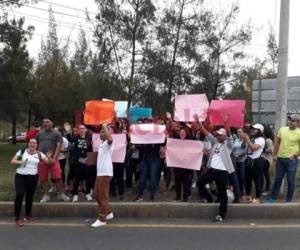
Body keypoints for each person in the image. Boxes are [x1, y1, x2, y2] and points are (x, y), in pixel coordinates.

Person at [196, 114, 235, 222]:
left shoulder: (228, 145)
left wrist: (226, 123)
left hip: (222, 173)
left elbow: (229, 136)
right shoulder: (215, 142)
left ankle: (221, 215)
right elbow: (206, 133)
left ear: (223, 136)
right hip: (212, 170)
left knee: (222, 195)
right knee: (199, 183)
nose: (217, 136)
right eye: (217, 135)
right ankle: (209, 198)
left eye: (219, 135)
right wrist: (199, 123)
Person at [11, 138, 52, 226]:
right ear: (28, 144)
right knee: (19, 194)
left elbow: (49, 163)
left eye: (34, 143)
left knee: (29, 197)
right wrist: (21, 161)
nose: (32, 144)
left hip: (33, 177)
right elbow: (13, 161)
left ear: (37, 145)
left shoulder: (39, 154)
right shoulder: (22, 152)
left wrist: (48, 157)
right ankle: (17, 218)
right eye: (31, 143)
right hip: (20, 176)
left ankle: (28, 215)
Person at [265, 114, 300, 203]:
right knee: (277, 179)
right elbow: (277, 142)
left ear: (298, 123)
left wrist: (294, 156)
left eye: (293, 120)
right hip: (280, 159)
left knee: (290, 180)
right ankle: (273, 198)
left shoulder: (299, 132)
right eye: (289, 120)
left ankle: (288, 200)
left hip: (292, 160)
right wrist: (275, 155)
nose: (290, 122)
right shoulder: (282, 129)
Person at [36, 118, 70, 203]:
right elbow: (35, 143)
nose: (45, 124)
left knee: (58, 177)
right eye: (44, 122)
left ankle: (61, 194)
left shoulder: (57, 133)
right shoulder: (39, 133)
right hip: (42, 159)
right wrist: (37, 155)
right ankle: (46, 195)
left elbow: (58, 146)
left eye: (47, 122)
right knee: (43, 178)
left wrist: (54, 158)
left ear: (52, 123)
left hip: (53, 159)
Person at [91, 124, 114, 228]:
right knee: (96, 195)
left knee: (103, 196)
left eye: (103, 131)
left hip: (105, 173)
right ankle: (108, 212)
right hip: (99, 173)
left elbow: (110, 138)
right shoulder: (102, 144)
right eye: (100, 131)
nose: (101, 133)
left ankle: (102, 219)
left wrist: (105, 126)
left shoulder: (109, 143)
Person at [65, 124, 91, 202]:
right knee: (77, 178)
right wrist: (68, 131)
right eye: (80, 128)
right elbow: (70, 139)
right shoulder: (76, 137)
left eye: (83, 128)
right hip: (77, 161)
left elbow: (91, 149)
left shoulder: (89, 138)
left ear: (85, 130)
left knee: (87, 178)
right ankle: (75, 194)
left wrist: (88, 158)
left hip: (86, 161)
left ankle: (88, 193)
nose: (81, 130)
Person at [241, 124, 265, 203]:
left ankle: (258, 197)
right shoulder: (251, 138)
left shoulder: (261, 139)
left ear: (259, 131)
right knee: (247, 179)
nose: (252, 130)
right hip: (248, 160)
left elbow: (254, 148)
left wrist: (247, 138)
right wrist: (245, 139)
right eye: (252, 128)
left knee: (257, 179)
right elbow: (243, 146)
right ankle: (248, 196)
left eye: (255, 129)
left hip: (257, 161)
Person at [173, 128, 193, 202]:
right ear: (179, 134)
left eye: (183, 132)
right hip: (177, 165)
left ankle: (185, 198)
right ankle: (178, 196)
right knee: (177, 182)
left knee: (186, 182)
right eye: (180, 132)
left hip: (186, 166)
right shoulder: (175, 142)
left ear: (186, 133)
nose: (182, 133)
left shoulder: (190, 143)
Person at [232, 128, 247, 197]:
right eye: (238, 132)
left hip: (242, 161)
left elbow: (244, 149)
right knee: (236, 176)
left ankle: (242, 190)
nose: (239, 133)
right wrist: (233, 152)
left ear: (243, 133)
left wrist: (239, 155)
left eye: (240, 132)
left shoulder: (245, 140)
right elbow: (234, 148)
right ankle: (237, 191)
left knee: (242, 177)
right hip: (235, 160)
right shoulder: (236, 140)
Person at [261, 125, 274, 194]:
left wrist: (263, 149)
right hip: (263, 158)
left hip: (267, 159)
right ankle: (263, 188)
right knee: (263, 174)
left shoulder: (268, 140)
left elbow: (271, 150)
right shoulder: (264, 139)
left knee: (265, 174)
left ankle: (266, 189)